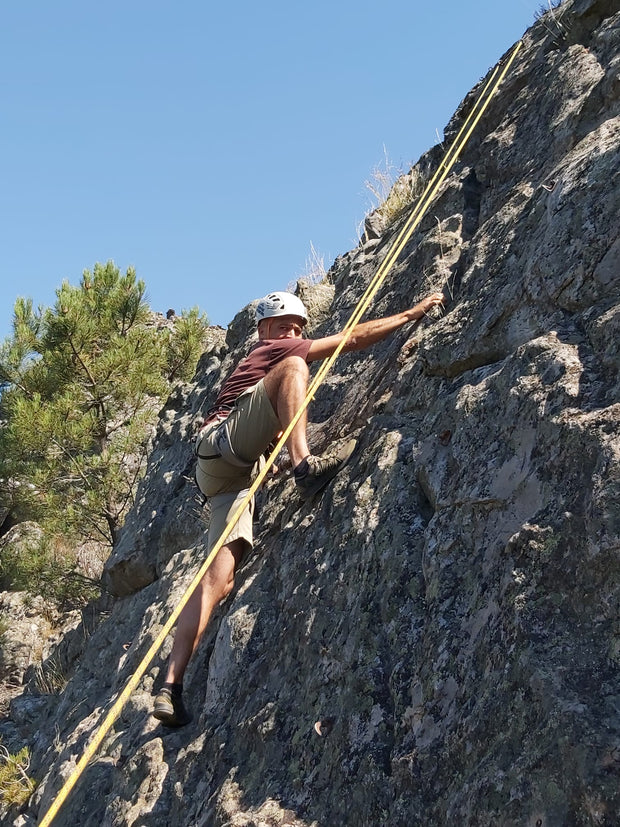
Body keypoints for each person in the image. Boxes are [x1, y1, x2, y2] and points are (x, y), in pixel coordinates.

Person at [153, 289, 444, 726]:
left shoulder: (254, 375)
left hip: (227, 471)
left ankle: (170, 685)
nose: (293, 332)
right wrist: (410, 312)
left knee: (219, 579)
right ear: (263, 331)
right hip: (223, 450)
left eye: (298, 327)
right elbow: (350, 338)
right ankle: (305, 467)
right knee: (296, 366)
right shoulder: (275, 351)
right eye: (284, 325)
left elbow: (269, 413)